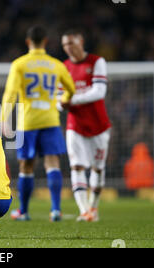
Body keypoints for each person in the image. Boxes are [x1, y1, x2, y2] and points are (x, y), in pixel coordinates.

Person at [0, 25, 75, 222]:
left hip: (28, 122)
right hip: (50, 119)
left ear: (28, 42)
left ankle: (23, 211)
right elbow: (71, 89)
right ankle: (56, 210)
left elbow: (11, 93)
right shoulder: (57, 65)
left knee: (26, 165)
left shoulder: (20, 64)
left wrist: (4, 118)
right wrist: (63, 100)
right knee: (53, 163)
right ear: (46, 42)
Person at [60, 29, 112, 222]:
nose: (68, 48)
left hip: (99, 125)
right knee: (77, 167)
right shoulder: (63, 67)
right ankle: (84, 211)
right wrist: (60, 103)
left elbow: (99, 91)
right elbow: (58, 97)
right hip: (75, 125)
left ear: (81, 41)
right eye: (65, 44)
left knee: (98, 168)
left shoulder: (97, 62)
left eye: (71, 43)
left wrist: (71, 100)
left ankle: (94, 207)